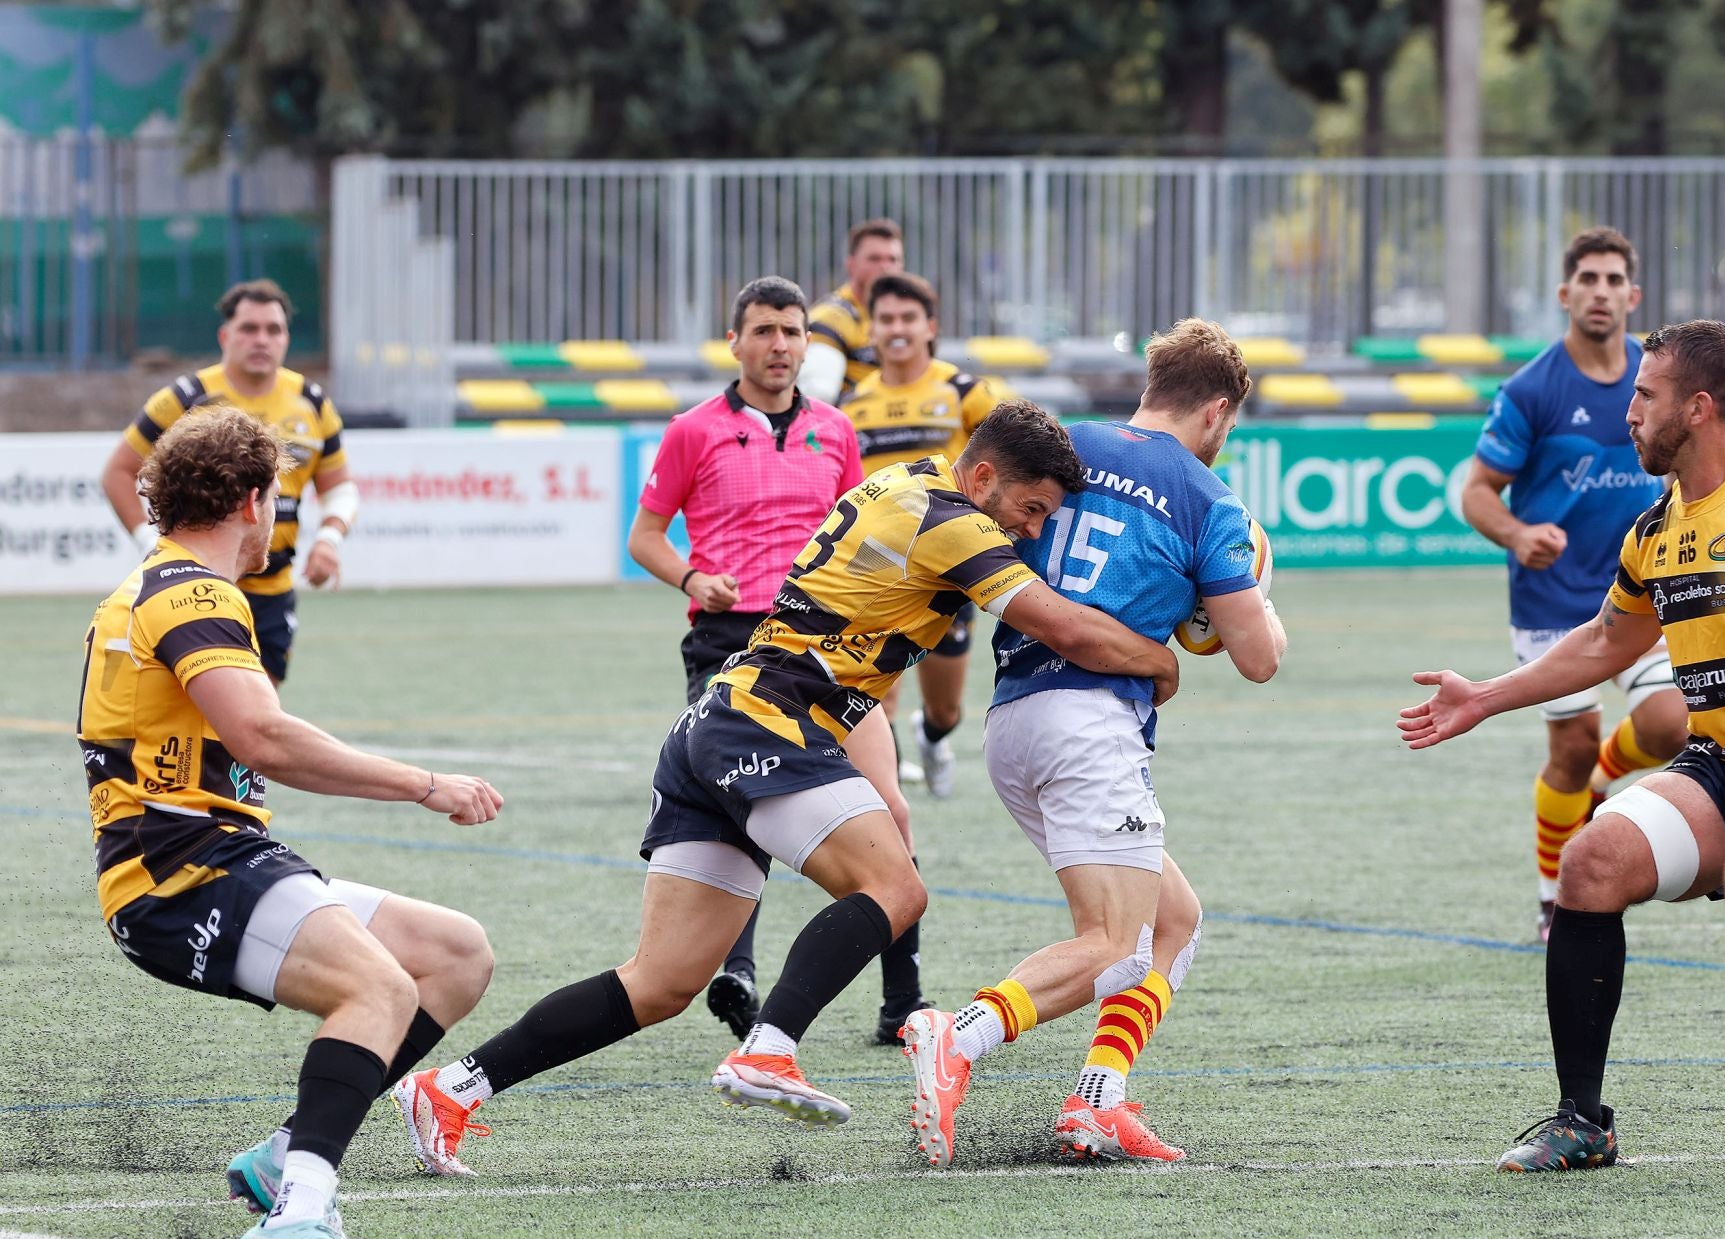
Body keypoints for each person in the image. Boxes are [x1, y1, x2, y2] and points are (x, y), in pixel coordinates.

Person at [392, 400, 1180, 1176]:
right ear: (982, 476)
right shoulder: (953, 521)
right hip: (771, 720)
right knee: (896, 888)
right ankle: (770, 1051)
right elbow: (1065, 628)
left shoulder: (903, 483)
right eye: (1031, 509)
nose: (1033, 529)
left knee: (660, 982)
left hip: (721, 719)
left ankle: (451, 1088)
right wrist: (1160, 658)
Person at [1399, 319, 1725, 1183]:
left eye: (1645, 397)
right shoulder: (1657, 528)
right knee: (1591, 859)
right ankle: (1582, 1123)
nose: (1628, 414)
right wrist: (1484, 698)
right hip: (1721, 762)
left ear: (1700, 408)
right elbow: (1605, 642)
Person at [79, 405, 501, 1239]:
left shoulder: (148, 584)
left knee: (454, 955)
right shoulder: (195, 591)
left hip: (206, 862)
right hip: (185, 873)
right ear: (249, 501)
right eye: (278, 497)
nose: (281, 514)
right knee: (380, 987)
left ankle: (285, 1155)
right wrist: (425, 784)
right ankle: (297, 1222)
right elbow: (262, 738)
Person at [898, 318, 1284, 1168]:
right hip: (1090, 722)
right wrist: (1260, 584)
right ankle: (956, 1038)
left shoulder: (1065, 448)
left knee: (1172, 919)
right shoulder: (1208, 497)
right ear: (1219, 412)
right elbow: (1256, 658)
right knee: (1112, 944)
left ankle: (1098, 1100)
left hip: (1013, 718)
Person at [627, 274, 922, 1046]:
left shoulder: (836, 428)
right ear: (736, 342)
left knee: (890, 808)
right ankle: (741, 971)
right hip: (730, 645)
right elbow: (645, 536)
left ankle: (904, 1001)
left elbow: (864, 535)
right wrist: (693, 577)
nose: (780, 345)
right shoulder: (693, 430)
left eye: (793, 332)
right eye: (764, 331)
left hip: (828, 651)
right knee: (744, 806)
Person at [1460, 228, 1687, 942]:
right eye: (1587, 278)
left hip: (1642, 593)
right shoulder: (1531, 390)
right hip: (1553, 601)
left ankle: (1594, 788)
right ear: (1565, 294)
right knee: (1573, 743)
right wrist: (1517, 534)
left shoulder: (1660, 381)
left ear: (1633, 295)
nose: (1600, 291)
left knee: (1669, 724)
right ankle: (1553, 898)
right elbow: (1476, 492)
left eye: (1614, 279)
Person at [102, 280, 357, 685]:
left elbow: (339, 486)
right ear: (225, 335)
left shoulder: (312, 403)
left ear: (287, 338)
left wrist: (330, 539)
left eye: (273, 330)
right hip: (196, 585)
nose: (262, 340)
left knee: (256, 715)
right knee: (209, 714)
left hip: (272, 587)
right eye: (249, 328)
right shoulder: (187, 399)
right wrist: (148, 543)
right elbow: (118, 471)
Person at [842, 271, 1005, 799]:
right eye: (885, 318)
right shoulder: (850, 404)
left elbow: (1013, 457)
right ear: (871, 329)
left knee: (945, 707)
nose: (896, 328)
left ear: (929, 326)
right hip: (873, 561)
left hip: (948, 565)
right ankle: (879, 789)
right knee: (866, 685)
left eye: (907, 318)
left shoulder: (963, 393)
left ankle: (932, 736)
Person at [798, 217, 906, 405]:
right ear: (851, 264)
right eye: (874, 259)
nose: (885, 267)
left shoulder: (909, 315)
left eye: (893, 259)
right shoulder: (830, 318)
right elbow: (818, 396)